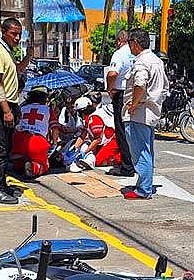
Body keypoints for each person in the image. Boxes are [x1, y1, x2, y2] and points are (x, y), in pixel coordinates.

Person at [0, 17, 33, 204]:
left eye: (19, 34)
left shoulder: (9, 52)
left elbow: (17, 70)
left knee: (6, 149)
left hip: (10, 104)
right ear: (4, 32)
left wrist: (29, 56)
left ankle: (2, 184)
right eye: (14, 34)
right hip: (0, 106)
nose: (17, 37)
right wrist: (6, 110)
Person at [122, 29, 169, 200]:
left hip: (139, 113)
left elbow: (140, 85)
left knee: (139, 151)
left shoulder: (141, 62)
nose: (129, 47)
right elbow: (164, 87)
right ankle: (145, 183)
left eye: (129, 43)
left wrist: (133, 105)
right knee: (146, 151)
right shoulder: (156, 61)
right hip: (151, 112)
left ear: (135, 43)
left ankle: (143, 189)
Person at [105, 30, 136, 177]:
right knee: (132, 131)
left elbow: (112, 73)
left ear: (119, 41)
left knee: (121, 131)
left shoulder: (119, 53)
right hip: (134, 94)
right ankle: (134, 163)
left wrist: (109, 89)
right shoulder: (135, 53)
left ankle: (127, 167)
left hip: (121, 94)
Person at [12, 86, 59, 178]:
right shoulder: (48, 110)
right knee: (44, 165)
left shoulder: (23, 108)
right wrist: (54, 142)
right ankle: (34, 167)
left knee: (18, 161)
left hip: (19, 138)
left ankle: (18, 165)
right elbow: (55, 128)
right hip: (37, 141)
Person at [66, 96, 121, 172]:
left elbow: (97, 139)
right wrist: (74, 149)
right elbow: (82, 136)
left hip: (114, 140)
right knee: (89, 148)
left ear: (82, 111)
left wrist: (84, 153)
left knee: (98, 161)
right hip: (105, 142)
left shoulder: (94, 119)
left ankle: (123, 158)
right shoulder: (89, 119)